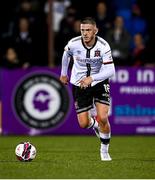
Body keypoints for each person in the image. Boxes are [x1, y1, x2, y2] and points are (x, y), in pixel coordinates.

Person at [60, 17, 115, 161]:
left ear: (95, 31)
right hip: (79, 83)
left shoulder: (103, 46)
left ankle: (104, 151)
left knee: (103, 117)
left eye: (88, 30)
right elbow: (66, 55)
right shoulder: (73, 43)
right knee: (84, 124)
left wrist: (92, 78)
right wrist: (63, 73)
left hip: (99, 81)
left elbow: (111, 71)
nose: (85, 33)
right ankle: (95, 125)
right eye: (82, 30)